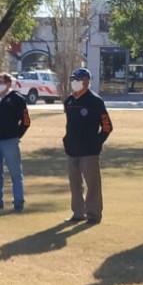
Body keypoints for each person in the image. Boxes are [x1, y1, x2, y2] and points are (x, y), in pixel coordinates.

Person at [62, 67, 112, 224]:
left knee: (92, 185)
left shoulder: (95, 101)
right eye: (73, 80)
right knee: (75, 183)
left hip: (89, 151)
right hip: (72, 150)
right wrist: (67, 140)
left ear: (86, 81)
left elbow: (107, 126)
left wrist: (96, 142)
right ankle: (78, 212)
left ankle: (94, 214)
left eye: (78, 80)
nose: (74, 83)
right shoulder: (69, 101)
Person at [0, 72, 31, 211]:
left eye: (1, 82)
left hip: (9, 141)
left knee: (15, 173)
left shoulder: (17, 99)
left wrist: (17, 136)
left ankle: (18, 201)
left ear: (9, 84)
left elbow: (26, 121)